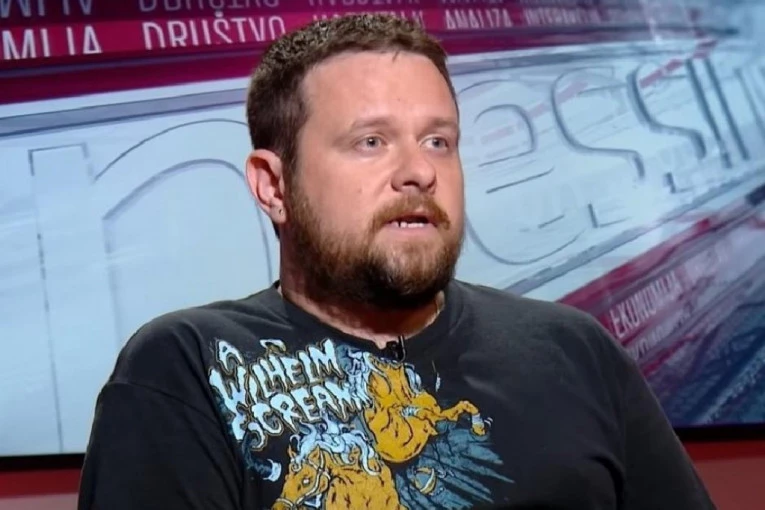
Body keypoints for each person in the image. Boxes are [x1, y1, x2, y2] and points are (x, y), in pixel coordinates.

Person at [78, 13, 716, 510]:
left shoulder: (575, 351)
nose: (419, 171)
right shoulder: (188, 366)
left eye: (439, 140)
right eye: (371, 141)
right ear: (273, 185)